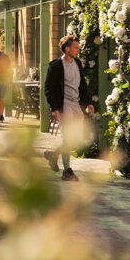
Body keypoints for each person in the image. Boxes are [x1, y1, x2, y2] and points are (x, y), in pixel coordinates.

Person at [44, 35, 95, 182]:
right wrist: (55, 108)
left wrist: (89, 102)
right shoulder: (56, 66)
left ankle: (54, 154)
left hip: (76, 104)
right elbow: (49, 89)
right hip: (64, 104)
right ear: (67, 49)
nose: (78, 50)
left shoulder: (77, 63)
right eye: (75, 47)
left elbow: (82, 85)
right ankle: (67, 171)